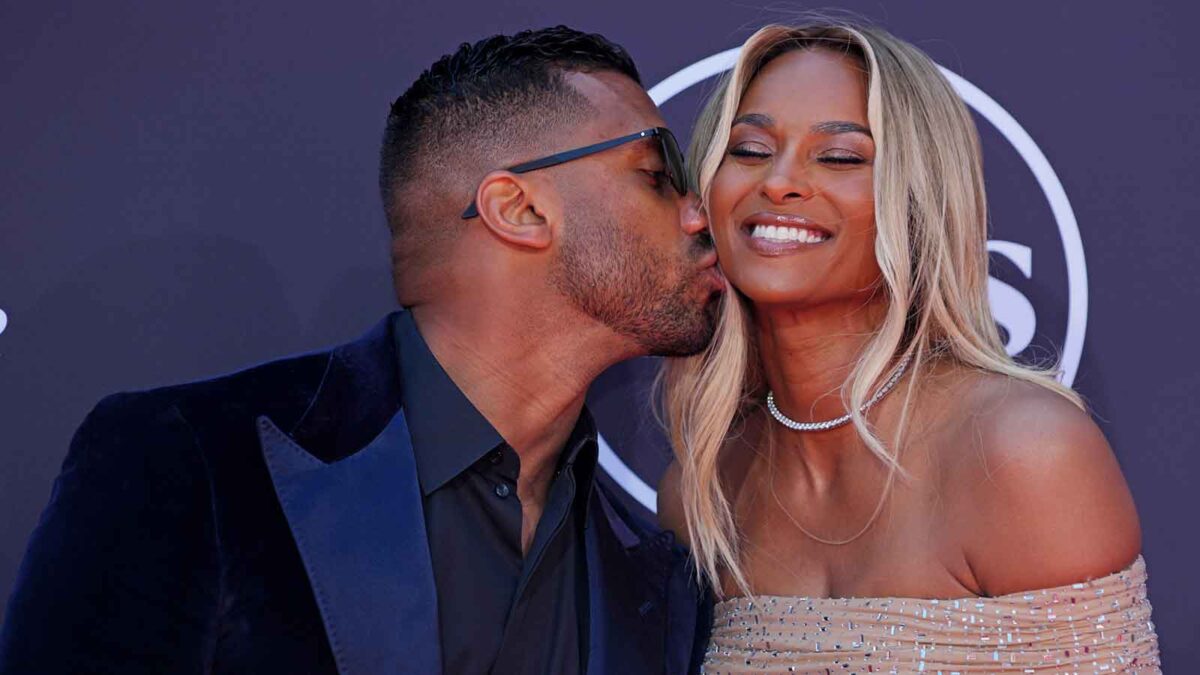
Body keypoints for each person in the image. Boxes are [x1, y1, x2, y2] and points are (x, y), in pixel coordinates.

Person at [1, 26, 721, 674]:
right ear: (519, 209)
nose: (700, 213)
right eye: (658, 176)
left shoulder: (660, 580)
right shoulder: (185, 463)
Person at [657, 20, 1161, 673]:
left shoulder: (1023, 453)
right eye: (749, 150)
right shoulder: (703, 490)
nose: (779, 181)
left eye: (840, 158)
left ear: (921, 201)